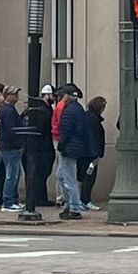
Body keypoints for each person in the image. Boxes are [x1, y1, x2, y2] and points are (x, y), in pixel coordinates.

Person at [55, 84, 92, 219]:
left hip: (69, 148)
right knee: (64, 175)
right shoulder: (78, 109)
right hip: (75, 147)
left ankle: (74, 206)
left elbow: (66, 131)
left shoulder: (69, 111)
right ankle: (71, 205)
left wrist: (61, 145)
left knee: (68, 177)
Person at [21, 85, 55, 216]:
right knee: (40, 172)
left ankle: (41, 197)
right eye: (52, 95)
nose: (53, 98)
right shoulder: (41, 109)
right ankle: (38, 198)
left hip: (42, 145)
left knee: (42, 172)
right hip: (41, 146)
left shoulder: (43, 108)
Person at [0, 85, 25, 210]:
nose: (16, 96)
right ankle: (8, 201)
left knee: (15, 174)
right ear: (7, 96)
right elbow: (11, 130)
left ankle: (13, 199)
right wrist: (19, 143)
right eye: (14, 94)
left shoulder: (9, 109)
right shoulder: (8, 110)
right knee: (11, 175)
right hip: (10, 147)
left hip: (10, 146)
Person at [80, 96, 107, 210]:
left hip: (85, 152)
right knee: (89, 177)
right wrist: (97, 153)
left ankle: (83, 199)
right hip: (91, 153)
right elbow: (95, 137)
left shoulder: (87, 117)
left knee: (84, 177)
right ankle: (85, 200)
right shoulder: (93, 120)